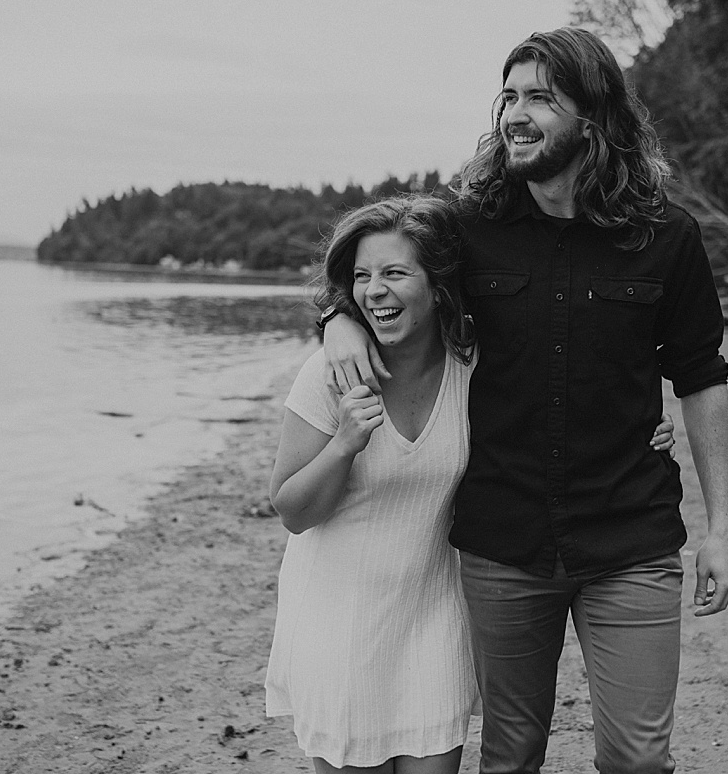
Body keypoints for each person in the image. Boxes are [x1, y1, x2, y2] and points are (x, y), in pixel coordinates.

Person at [321, 27, 728, 774]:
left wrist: (723, 527)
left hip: (632, 538)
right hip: (502, 543)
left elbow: (701, 375)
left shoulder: (667, 238)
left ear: (595, 117)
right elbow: (379, 272)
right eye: (508, 95)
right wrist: (338, 320)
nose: (515, 112)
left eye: (541, 97)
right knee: (510, 756)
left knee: (640, 759)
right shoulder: (468, 228)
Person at [265, 195, 678, 773]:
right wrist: (343, 445)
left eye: (394, 273)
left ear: (438, 286)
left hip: (434, 623)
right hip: (341, 627)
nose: (373, 290)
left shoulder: (476, 368)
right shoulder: (330, 375)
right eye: (360, 277)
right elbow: (291, 510)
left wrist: (640, 426)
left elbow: (560, 399)